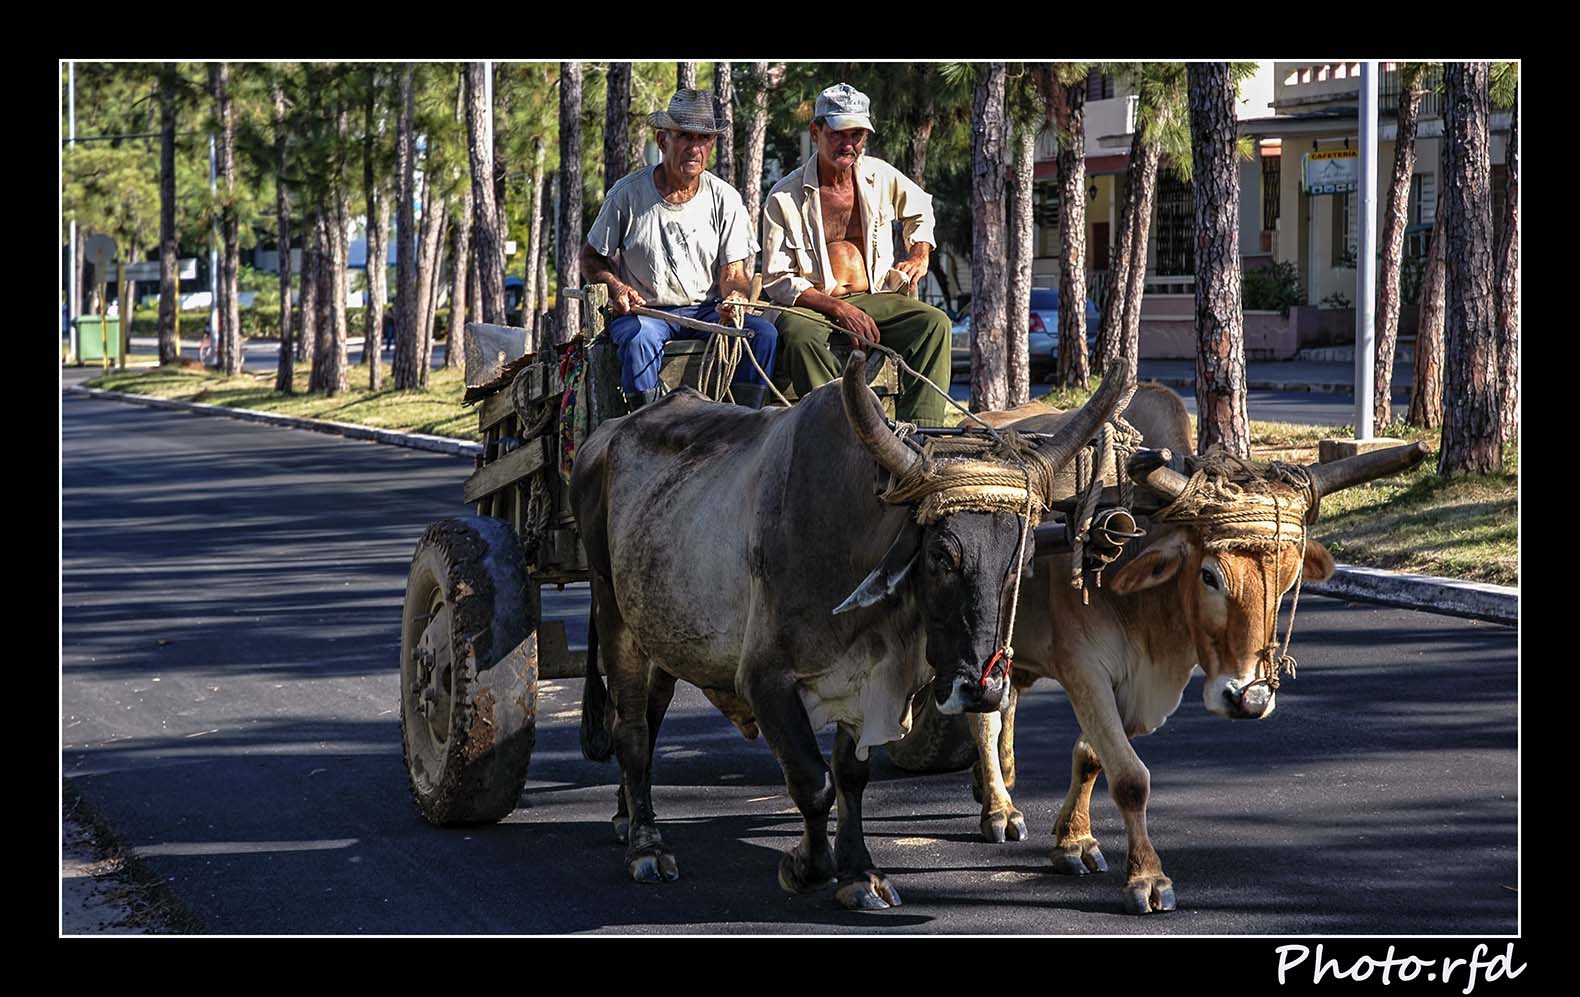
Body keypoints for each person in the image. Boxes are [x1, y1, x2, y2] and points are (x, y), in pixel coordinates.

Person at [760, 82, 953, 427]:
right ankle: (839, 432)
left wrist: (920, 252)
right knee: (799, 336)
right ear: (816, 131)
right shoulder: (783, 197)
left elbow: (921, 206)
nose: (848, 144)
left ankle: (922, 435)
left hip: (874, 294)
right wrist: (838, 308)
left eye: (857, 134)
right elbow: (777, 279)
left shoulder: (879, 176)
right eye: (838, 134)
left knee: (933, 324)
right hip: (813, 304)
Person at [580, 89, 779, 409]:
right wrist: (616, 287)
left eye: (704, 138)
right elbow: (591, 257)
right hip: (647, 313)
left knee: (763, 335)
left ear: (712, 145)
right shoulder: (628, 194)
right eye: (685, 136)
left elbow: (734, 273)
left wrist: (736, 298)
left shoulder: (725, 199)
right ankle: (646, 427)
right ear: (662, 140)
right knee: (638, 339)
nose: (695, 147)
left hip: (707, 312)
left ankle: (743, 426)